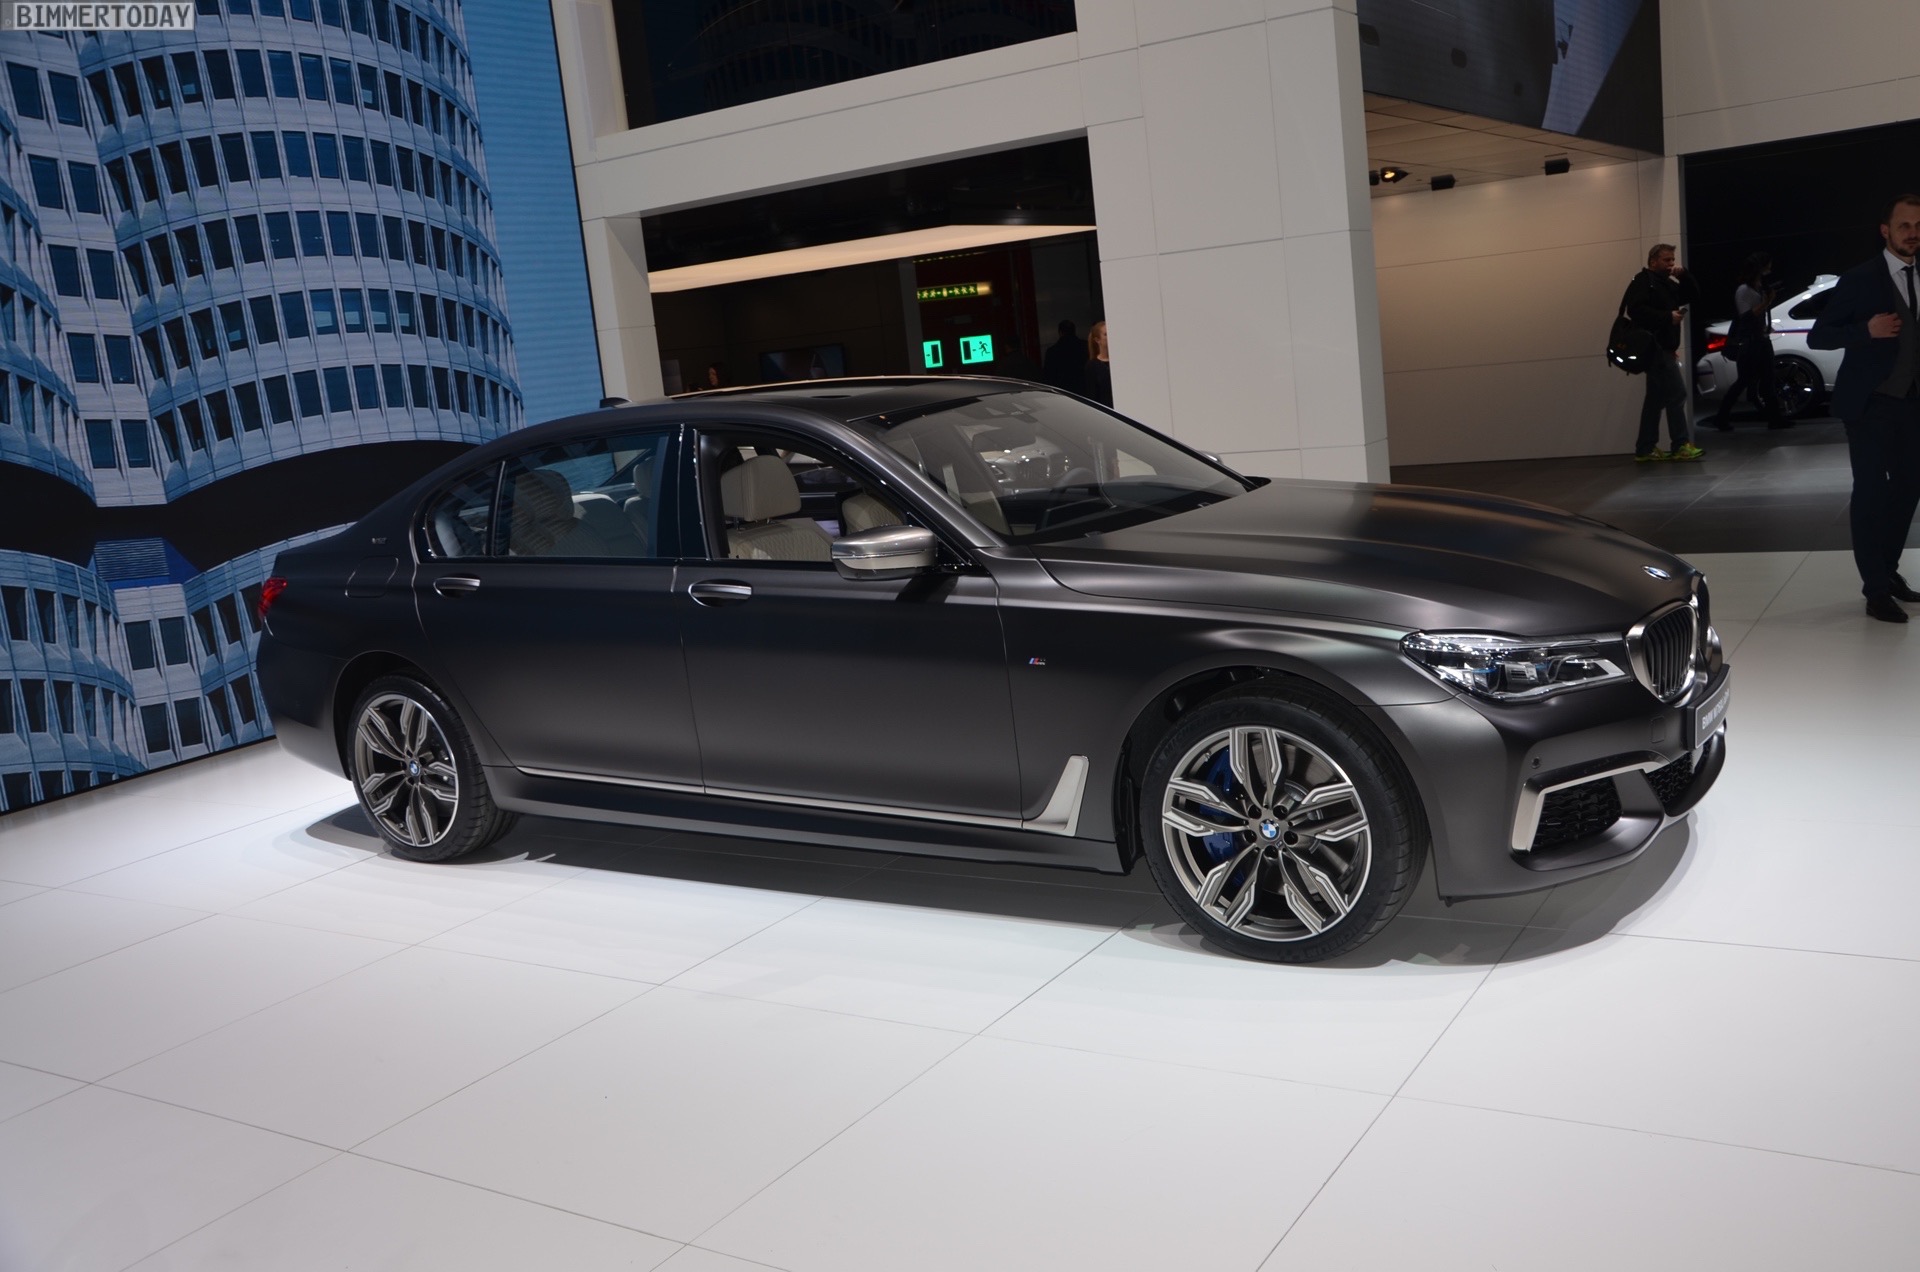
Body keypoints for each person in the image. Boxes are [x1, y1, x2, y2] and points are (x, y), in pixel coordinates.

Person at [1809, 193, 1920, 623]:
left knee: (1908, 489)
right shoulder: (1859, 279)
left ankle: (1887, 572)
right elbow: (1820, 335)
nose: (1913, 233)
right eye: (1905, 225)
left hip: (1911, 403)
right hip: (1870, 404)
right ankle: (1875, 590)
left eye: (1919, 226)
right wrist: (1865, 330)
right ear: (1886, 231)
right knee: (1871, 493)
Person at [1625, 244, 1704, 461]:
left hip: (1662, 348)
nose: (1671, 264)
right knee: (1677, 394)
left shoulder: (1666, 284)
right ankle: (1680, 445)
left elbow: (1693, 295)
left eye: (1672, 260)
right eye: (1666, 260)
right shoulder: (1644, 281)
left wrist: (1684, 276)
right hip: (1655, 348)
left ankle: (1645, 448)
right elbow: (1635, 310)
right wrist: (1667, 317)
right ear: (1653, 261)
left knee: (1655, 399)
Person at [1711, 252, 1792, 431]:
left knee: (1768, 380)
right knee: (1744, 380)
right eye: (1768, 264)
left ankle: (1775, 419)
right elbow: (1746, 316)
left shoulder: (1758, 287)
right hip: (1750, 343)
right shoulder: (1744, 290)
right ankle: (1721, 417)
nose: (1770, 268)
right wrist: (1766, 302)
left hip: (1761, 340)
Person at [1042, 319, 1087, 394]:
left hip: (1062, 390)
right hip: (1082, 389)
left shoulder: (1052, 351)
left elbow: (1048, 375)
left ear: (1060, 332)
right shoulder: (1085, 346)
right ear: (1074, 331)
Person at [1085, 320, 1113, 407]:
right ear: (1097, 340)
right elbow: (1092, 395)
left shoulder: (1120, 361)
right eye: (1106, 334)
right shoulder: (1092, 366)